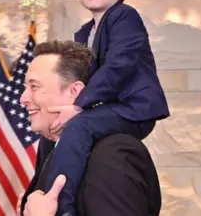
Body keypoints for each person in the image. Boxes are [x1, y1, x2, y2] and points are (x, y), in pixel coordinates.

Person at [43, 0, 170, 215]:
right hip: (107, 107)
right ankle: (41, 195)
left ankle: (62, 208)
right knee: (52, 129)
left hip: (133, 109)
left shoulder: (125, 17)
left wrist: (77, 106)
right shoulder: (85, 32)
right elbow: (81, 77)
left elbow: (118, 67)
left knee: (77, 127)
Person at [19, 40, 161, 216]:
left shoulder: (112, 155)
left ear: (74, 91)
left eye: (34, 87)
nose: (23, 98)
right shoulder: (50, 145)